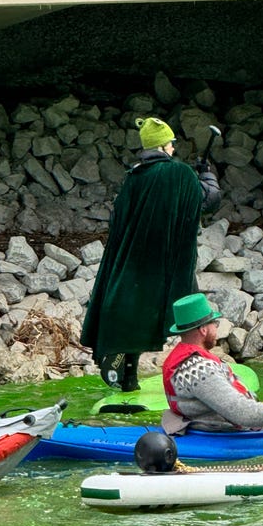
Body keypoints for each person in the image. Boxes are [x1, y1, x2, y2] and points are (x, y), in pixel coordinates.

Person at [81, 116, 220, 392]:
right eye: (171, 143)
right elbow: (208, 201)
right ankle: (202, 371)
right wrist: (206, 175)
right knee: (190, 313)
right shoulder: (179, 173)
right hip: (171, 264)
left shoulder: (134, 177)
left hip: (134, 265)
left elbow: (118, 220)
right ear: (163, 146)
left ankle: (128, 378)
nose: (173, 148)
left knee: (134, 312)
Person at [162, 293, 263, 434]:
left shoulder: (189, 362)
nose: (217, 329)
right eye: (215, 324)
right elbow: (243, 414)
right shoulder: (198, 369)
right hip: (228, 431)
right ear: (203, 330)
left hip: (213, 425)